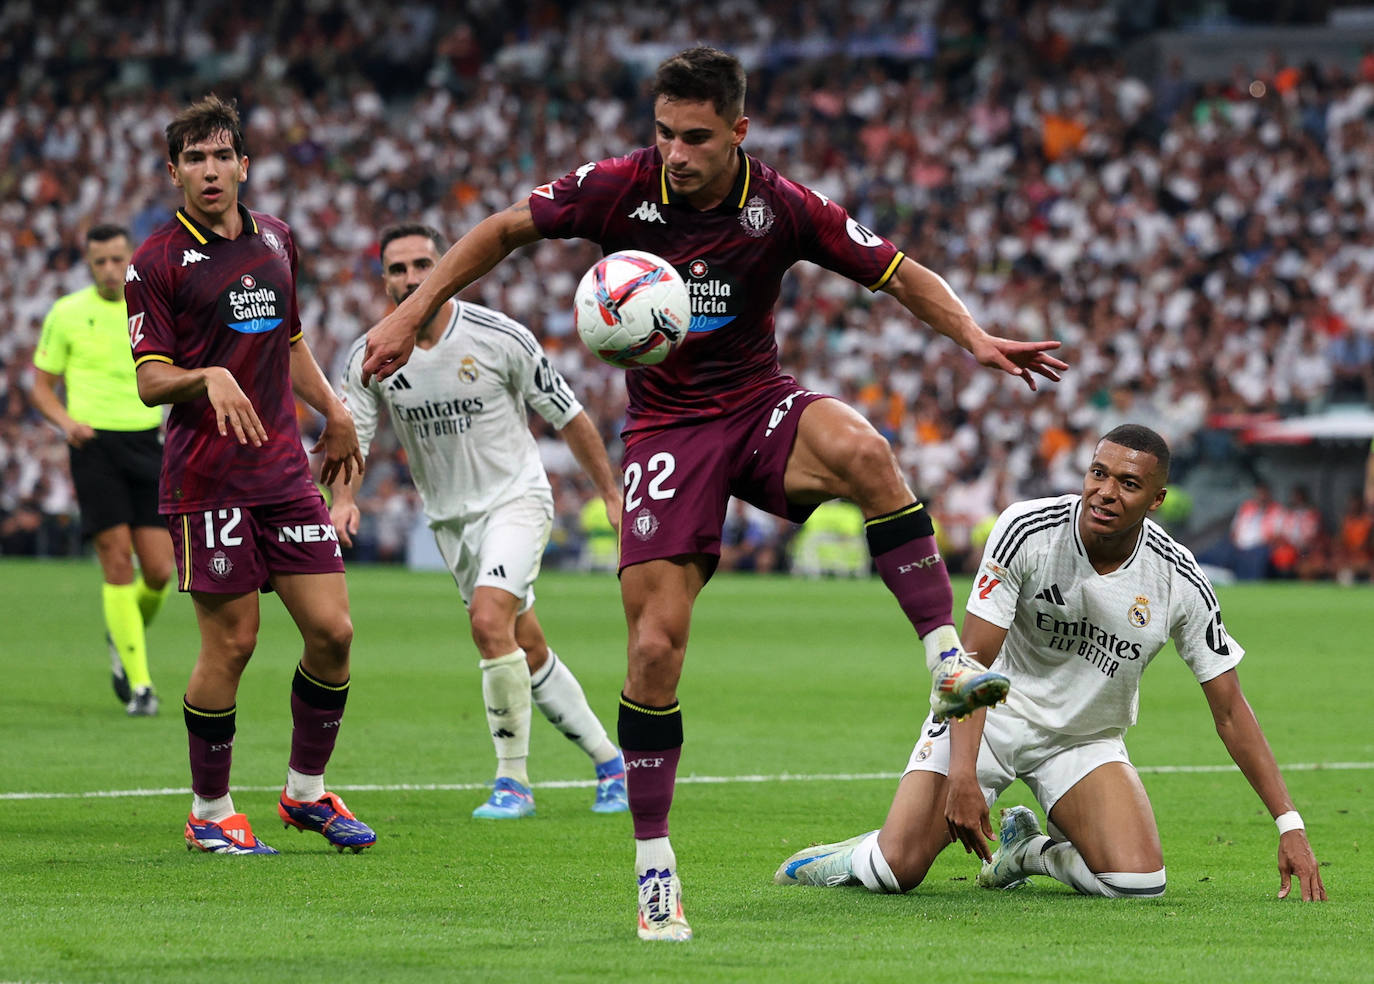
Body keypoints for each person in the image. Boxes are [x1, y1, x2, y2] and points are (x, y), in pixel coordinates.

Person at [361, 47, 1066, 941]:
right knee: (655, 652)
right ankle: (656, 871)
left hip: (757, 403)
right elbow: (501, 230)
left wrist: (974, 338)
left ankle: (943, 661)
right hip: (667, 433)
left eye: (695, 137)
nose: (675, 153)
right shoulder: (618, 189)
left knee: (865, 450)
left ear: (738, 131)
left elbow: (898, 270)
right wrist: (409, 310)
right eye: (663, 133)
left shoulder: (783, 206)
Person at [776, 424, 1326, 903]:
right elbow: (971, 661)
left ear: (1156, 499)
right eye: (1098, 473)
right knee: (897, 869)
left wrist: (1289, 823)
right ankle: (846, 857)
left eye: (1128, 484)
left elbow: (1230, 709)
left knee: (1139, 883)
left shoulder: (1179, 579)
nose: (1105, 492)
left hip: (1082, 740)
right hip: (991, 719)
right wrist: (964, 774)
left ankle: (1027, 852)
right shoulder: (1028, 530)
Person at [125, 94, 375, 855]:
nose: (209, 170)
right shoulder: (156, 261)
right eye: (192, 159)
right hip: (208, 480)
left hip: (283, 473)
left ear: (243, 164)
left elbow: (291, 340)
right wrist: (205, 377)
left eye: (220, 155)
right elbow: (149, 380)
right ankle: (209, 812)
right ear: (174, 172)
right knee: (233, 644)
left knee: (333, 632)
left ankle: (305, 794)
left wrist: (334, 411)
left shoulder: (277, 239)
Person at [330, 223, 628, 819]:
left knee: (490, 622)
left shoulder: (499, 337)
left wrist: (612, 495)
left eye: (422, 264)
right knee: (525, 643)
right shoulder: (371, 354)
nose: (411, 278)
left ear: (446, 266)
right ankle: (610, 764)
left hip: (516, 500)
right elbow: (351, 437)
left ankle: (512, 781)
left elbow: (569, 416)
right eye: (398, 269)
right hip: (449, 521)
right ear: (383, 278)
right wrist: (342, 499)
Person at [32, 223, 174, 716]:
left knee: (159, 571)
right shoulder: (67, 313)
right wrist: (66, 422)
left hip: (147, 441)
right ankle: (141, 687)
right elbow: (42, 386)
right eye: (101, 262)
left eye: (118, 260)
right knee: (116, 561)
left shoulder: (153, 305)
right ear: (88, 263)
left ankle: (121, 634)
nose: (111, 270)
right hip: (93, 444)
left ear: (130, 258)